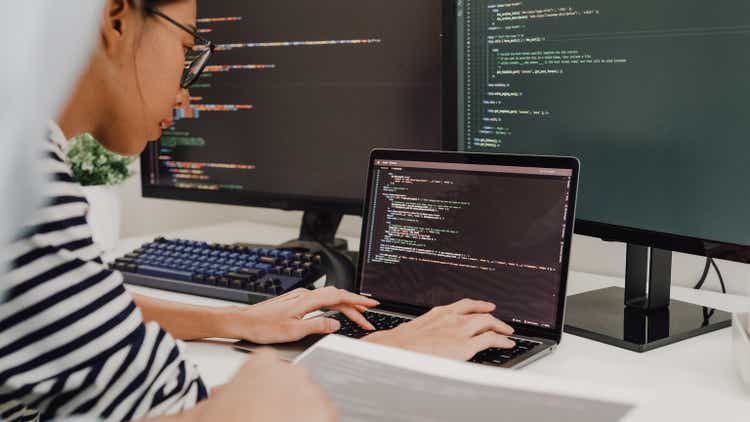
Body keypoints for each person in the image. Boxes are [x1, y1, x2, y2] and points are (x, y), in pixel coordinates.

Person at [0, 1, 516, 421]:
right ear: (116, 17)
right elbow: (178, 412)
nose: (185, 92)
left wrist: (233, 320)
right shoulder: (23, 183)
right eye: (187, 48)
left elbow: (70, 316)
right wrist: (392, 355)